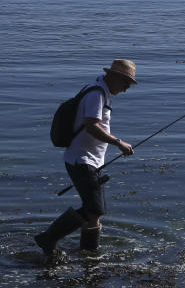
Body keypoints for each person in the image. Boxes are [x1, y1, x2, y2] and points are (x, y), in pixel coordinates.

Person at [34, 59, 137, 257]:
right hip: (82, 160)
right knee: (95, 209)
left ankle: (89, 254)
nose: (125, 89)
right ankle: (48, 238)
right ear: (115, 77)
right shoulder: (97, 94)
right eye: (126, 84)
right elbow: (92, 125)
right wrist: (118, 142)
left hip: (89, 161)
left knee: (94, 213)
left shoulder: (99, 90)